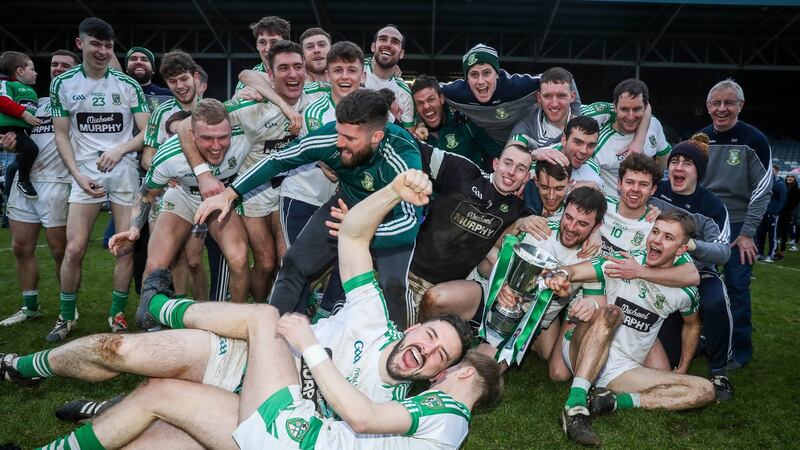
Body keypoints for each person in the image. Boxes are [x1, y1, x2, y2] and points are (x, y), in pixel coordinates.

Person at [29, 169, 493, 450]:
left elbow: (356, 425)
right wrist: (393, 190)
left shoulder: (396, 413)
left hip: (259, 416)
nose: (426, 350)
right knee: (120, 351)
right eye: (428, 336)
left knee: (154, 415)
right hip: (248, 357)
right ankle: (26, 365)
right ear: (412, 329)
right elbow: (352, 234)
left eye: (439, 357)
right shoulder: (376, 320)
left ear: (437, 374)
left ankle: (106, 402)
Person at [194, 89, 422, 329]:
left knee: (394, 284)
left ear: (376, 137)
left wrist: (359, 231)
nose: (339, 143)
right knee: (294, 263)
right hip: (347, 205)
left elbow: (408, 223)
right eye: (338, 132)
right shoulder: (330, 139)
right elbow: (278, 160)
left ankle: (400, 348)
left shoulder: (403, 156)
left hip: (388, 218)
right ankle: (272, 337)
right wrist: (229, 195)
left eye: (350, 139)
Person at [548, 211, 713, 447]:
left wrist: (683, 368)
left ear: (680, 250)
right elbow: (574, 271)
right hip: (583, 347)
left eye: (667, 237)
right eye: (655, 232)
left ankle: (615, 402)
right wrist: (562, 274)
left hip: (622, 369)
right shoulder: (622, 262)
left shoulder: (684, 290)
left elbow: (693, 324)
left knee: (705, 390)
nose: (656, 240)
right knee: (612, 313)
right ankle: (574, 408)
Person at [186, 40, 311, 303]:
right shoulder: (249, 105)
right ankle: (256, 308)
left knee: (285, 258)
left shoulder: (315, 100)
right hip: (251, 191)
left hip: (289, 189)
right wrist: (203, 174)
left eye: (298, 67)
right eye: (284, 68)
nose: (292, 74)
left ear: (305, 69)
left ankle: (279, 308)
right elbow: (187, 126)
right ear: (271, 75)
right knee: (264, 263)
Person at [49, 17, 150, 340]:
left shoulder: (127, 84)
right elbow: (61, 135)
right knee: (74, 249)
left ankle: (117, 314)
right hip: (84, 175)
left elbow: (149, 129)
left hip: (123, 172)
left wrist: (121, 149)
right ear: (81, 44)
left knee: (124, 247)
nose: (103, 51)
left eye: (108, 45)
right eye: (96, 44)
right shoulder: (63, 84)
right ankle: (65, 317)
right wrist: (76, 174)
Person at [108, 99, 251, 303]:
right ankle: (151, 322)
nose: (217, 146)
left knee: (239, 258)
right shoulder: (169, 155)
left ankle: (237, 322)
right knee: (155, 266)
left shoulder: (244, 136)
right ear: (191, 135)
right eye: (207, 138)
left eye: (223, 137)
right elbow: (146, 194)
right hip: (183, 195)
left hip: (221, 197)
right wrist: (134, 229)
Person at [648, 133, 734, 400]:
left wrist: (694, 246)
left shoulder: (713, 206)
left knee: (715, 302)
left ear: (699, 172)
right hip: (658, 269)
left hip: (699, 272)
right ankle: (698, 344)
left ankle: (719, 369)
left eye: (687, 163)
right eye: (675, 161)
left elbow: (723, 252)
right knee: (670, 355)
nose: (678, 167)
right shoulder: (655, 191)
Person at [405, 143, 532, 318]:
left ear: (526, 177)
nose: (511, 171)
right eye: (507, 163)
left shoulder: (517, 210)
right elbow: (413, 146)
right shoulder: (465, 172)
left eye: (520, 169)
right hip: (405, 270)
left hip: (443, 292)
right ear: (495, 164)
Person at [0, 50, 79, 327]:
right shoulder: (37, 102)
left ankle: (68, 308)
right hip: (26, 182)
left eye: (66, 65)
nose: (58, 68)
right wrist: (6, 140)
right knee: (20, 247)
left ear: (76, 70)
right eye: (55, 64)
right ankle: (30, 306)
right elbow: (11, 128)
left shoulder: (81, 106)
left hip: (58, 184)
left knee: (60, 251)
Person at [700, 79, 772, 369]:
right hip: (709, 223)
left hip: (740, 223)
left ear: (740, 106)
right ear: (707, 107)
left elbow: (762, 189)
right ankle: (708, 339)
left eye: (728, 102)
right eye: (716, 103)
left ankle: (739, 350)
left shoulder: (754, 140)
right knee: (700, 284)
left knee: (736, 287)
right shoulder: (700, 139)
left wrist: (747, 234)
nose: (722, 108)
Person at [280, 41, 364, 247]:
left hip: (343, 201)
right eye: (337, 70)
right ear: (327, 76)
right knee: (298, 267)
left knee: (344, 265)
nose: (345, 76)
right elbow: (332, 170)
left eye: (352, 70)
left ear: (363, 76)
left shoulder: (375, 112)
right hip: (304, 195)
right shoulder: (314, 114)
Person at [581, 78, 670, 197]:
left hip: (643, 209)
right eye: (624, 109)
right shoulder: (598, 140)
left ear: (645, 107)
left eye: (637, 109)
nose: (631, 116)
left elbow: (665, 160)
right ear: (615, 107)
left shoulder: (654, 125)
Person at [410, 74, 500, 169]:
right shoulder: (414, 135)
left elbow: (496, 153)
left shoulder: (466, 122)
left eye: (431, 99)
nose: (426, 106)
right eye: (420, 103)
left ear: (441, 99)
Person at [508, 66, 581, 152]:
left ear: (572, 96)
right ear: (539, 98)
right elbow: (511, 156)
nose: (554, 103)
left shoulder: (593, 115)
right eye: (547, 96)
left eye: (561, 96)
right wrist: (534, 155)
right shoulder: (526, 128)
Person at [600, 153, 661, 254]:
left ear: (653, 190)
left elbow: (688, 267)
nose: (635, 189)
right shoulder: (599, 205)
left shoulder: (656, 227)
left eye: (643, 184)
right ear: (619, 184)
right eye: (630, 182)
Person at [0, 51, 41, 199]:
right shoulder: (7, 84)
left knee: (28, 151)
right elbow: (2, 101)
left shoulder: (29, 89)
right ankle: (23, 181)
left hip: (20, 130)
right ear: (20, 71)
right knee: (31, 149)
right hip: (9, 129)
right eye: (32, 69)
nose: (36, 73)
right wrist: (24, 114)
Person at [365, 24, 415, 129]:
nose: (388, 44)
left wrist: (392, 120)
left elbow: (407, 138)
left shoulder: (404, 93)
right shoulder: (352, 71)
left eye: (395, 42)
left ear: (401, 54)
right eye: (383, 39)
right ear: (373, 47)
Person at [234, 15, 291, 91]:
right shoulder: (245, 83)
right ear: (257, 45)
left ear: (287, 44)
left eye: (274, 42)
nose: (267, 49)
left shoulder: (304, 71)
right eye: (262, 42)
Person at [755, 164, 786, 263]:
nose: (770, 172)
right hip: (762, 212)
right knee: (761, 234)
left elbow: (782, 200)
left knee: (772, 235)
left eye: (772, 170)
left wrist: (775, 213)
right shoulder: (764, 182)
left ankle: (771, 254)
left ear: (776, 171)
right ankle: (759, 253)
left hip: (772, 213)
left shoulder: (780, 184)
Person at [777, 174, 799, 260]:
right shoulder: (782, 186)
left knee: (784, 234)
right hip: (778, 212)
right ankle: (774, 251)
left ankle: (781, 253)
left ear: (795, 179)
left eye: (792, 177)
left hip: (787, 214)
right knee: (776, 233)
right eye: (788, 176)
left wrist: (783, 206)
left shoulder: (797, 190)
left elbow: (794, 204)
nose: (790, 178)